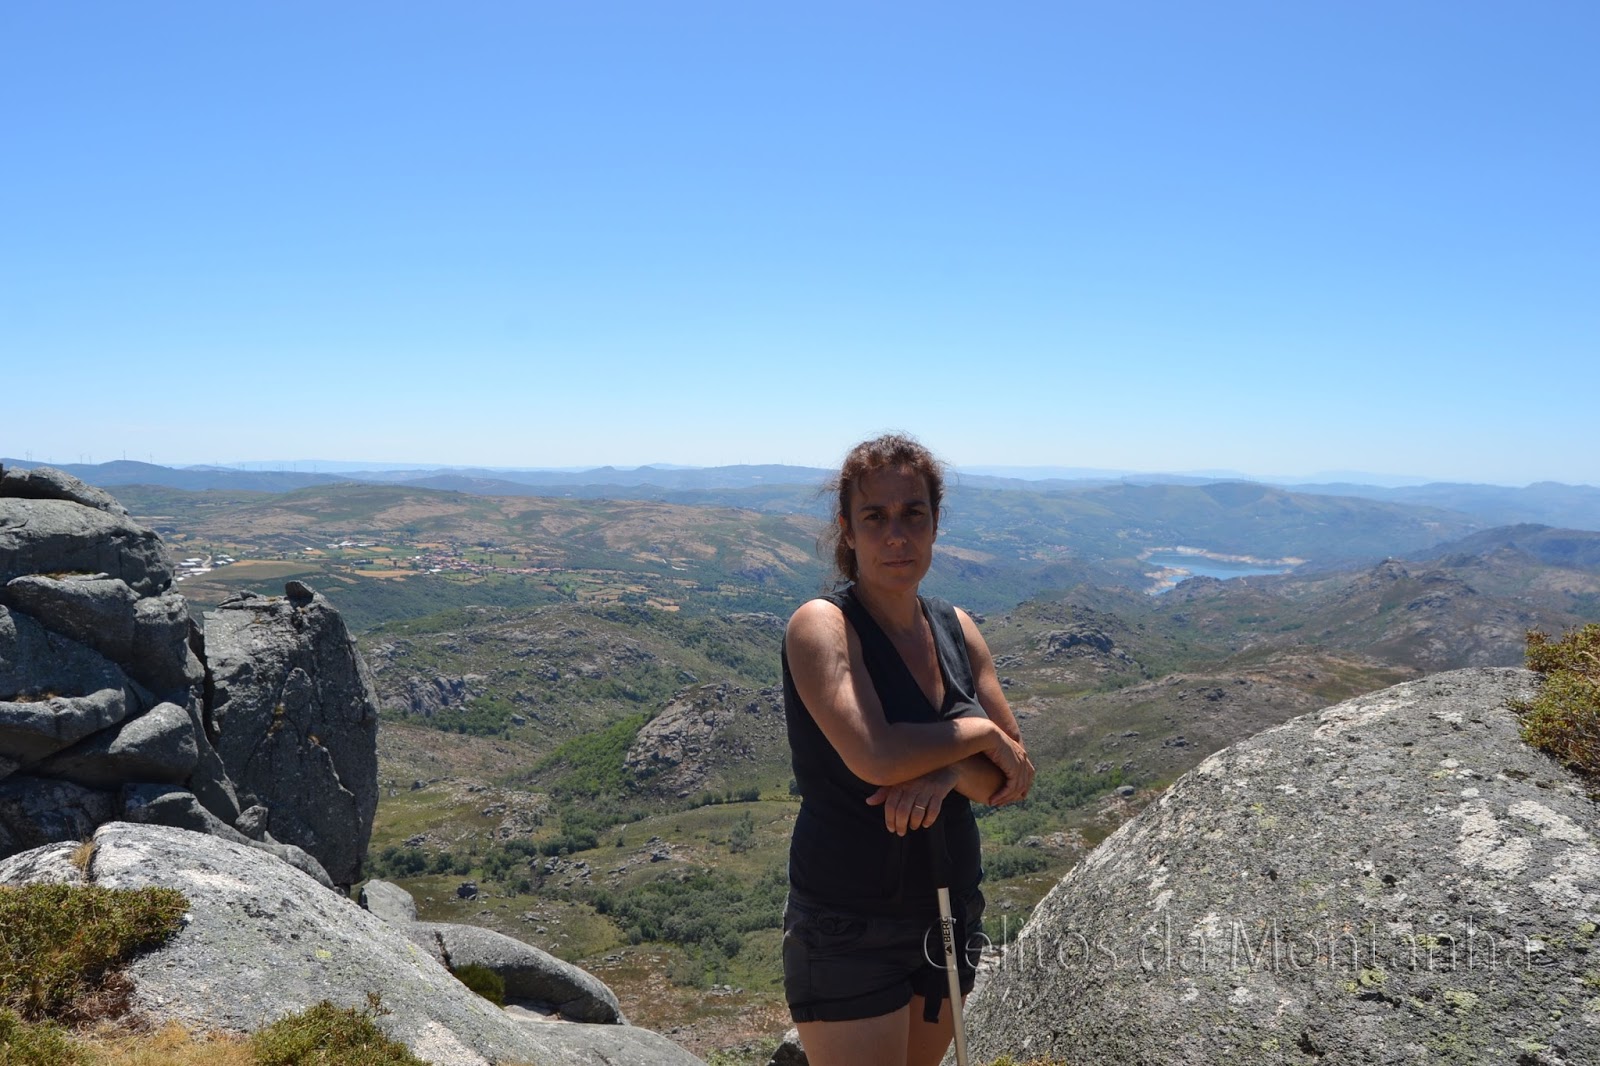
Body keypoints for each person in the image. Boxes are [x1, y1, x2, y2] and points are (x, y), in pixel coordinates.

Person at [781, 433, 1034, 1066]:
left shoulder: (956, 628)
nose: (896, 535)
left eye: (913, 514)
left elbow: (1012, 777)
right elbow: (875, 755)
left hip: (950, 910)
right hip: (849, 921)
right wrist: (979, 737)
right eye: (875, 516)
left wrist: (947, 772)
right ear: (847, 529)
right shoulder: (823, 625)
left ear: (935, 522)